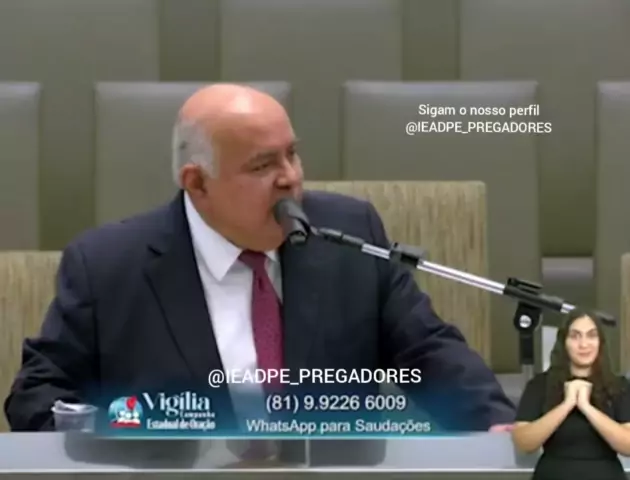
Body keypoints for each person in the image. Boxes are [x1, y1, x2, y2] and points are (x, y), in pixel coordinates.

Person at [4, 83, 515, 432]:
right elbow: (38, 395)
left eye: (292, 153)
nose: (290, 177)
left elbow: (429, 351)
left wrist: (495, 423)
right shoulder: (108, 266)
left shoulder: (349, 234)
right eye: (263, 165)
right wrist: (112, 438)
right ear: (197, 183)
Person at [512, 310, 630, 479]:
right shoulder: (540, 384)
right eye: (575, 336)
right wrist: (567, 404)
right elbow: (523, 443)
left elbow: (628, 446)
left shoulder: (619, 386)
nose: (584, 344)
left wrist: (586, 407)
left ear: (600, 342)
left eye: (591, 336)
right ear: (564, 342)